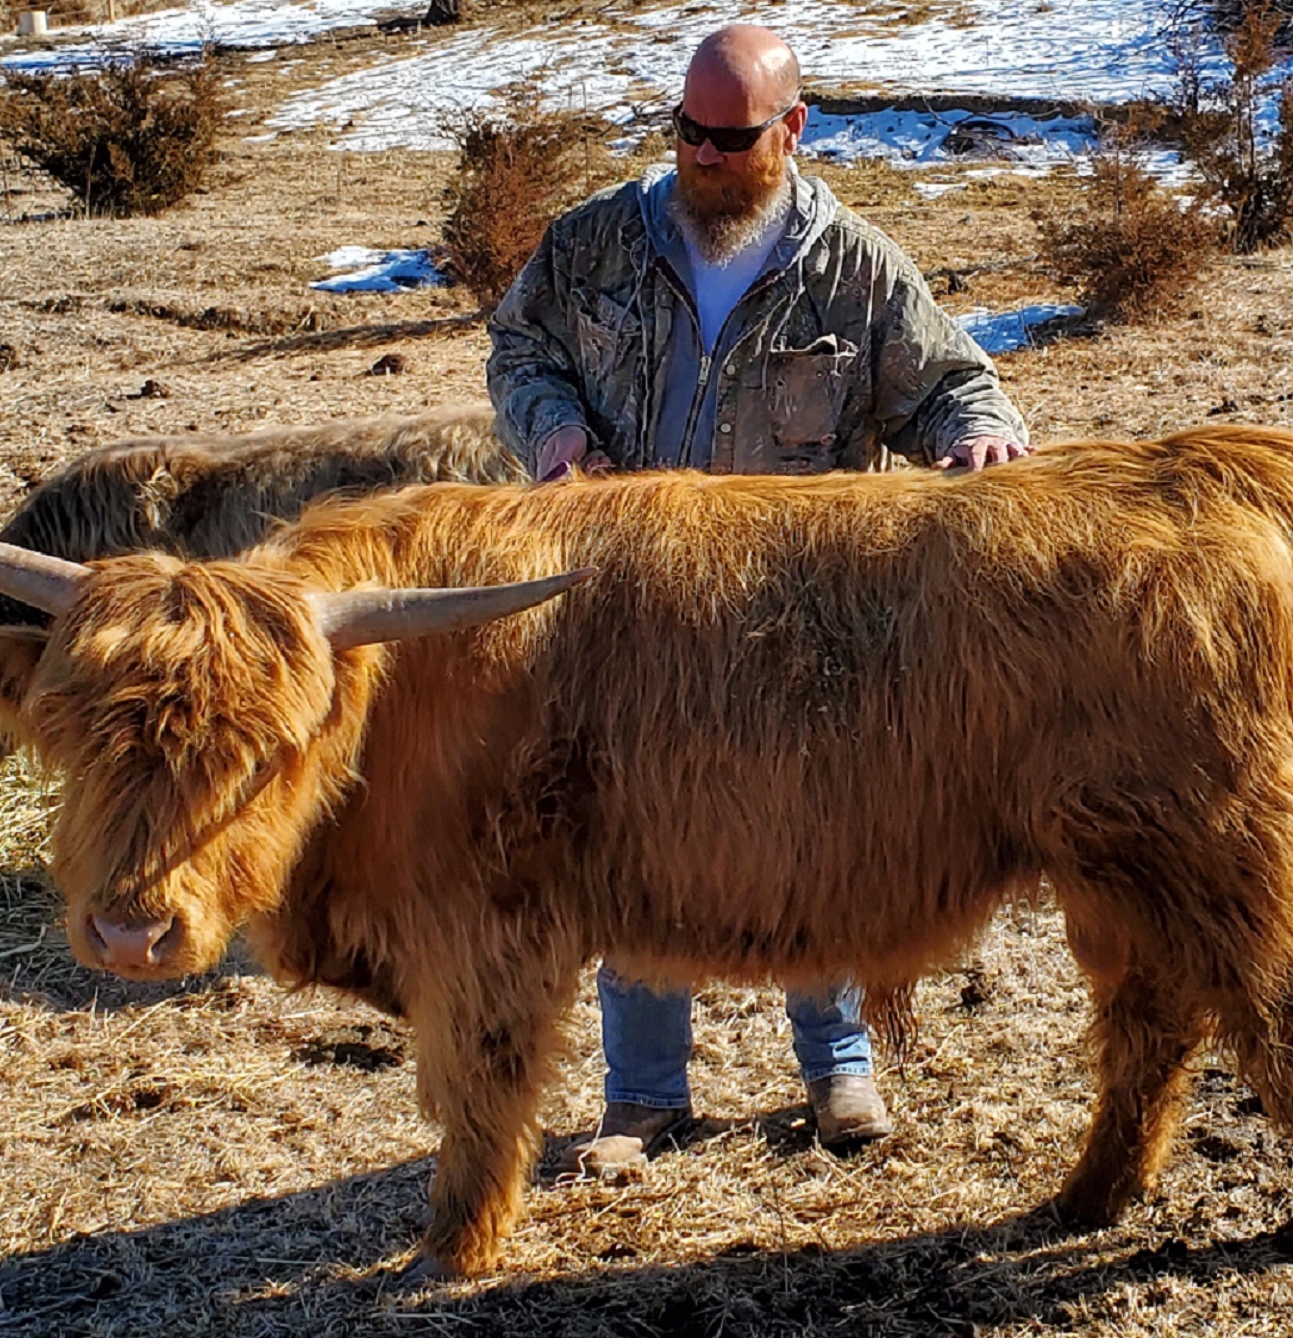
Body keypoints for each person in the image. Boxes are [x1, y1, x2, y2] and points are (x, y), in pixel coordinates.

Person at [485, 23, 1031, 1174]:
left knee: (811, 830)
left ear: (791, 129)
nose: (700, 155)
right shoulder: (591, 245)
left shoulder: (856, 268)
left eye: (729, 138)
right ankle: (640, 1101)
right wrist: (553, 432)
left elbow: (951, 384)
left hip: (800, 617)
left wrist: (977, 437)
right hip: (625, 609)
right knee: (628, 832)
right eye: (684, 130)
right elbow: (519, 349)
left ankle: (837, 1074)